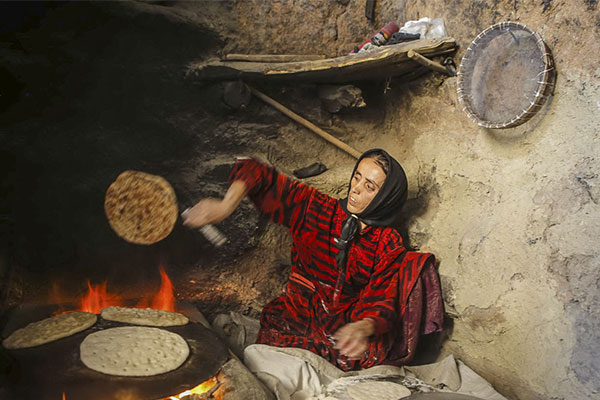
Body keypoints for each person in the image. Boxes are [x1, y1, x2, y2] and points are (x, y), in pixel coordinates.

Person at [182, 149, 436, 371]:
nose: (356, 188)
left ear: (386, 198)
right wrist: (225, 206)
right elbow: (253, 169)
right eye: (357, 177)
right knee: (271, 350)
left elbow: (383, 298)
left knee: (359, 357)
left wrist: (363, 327)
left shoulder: (386, 241)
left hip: (345, 329)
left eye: (369, 187)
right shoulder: (316, 208)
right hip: (297, 315)